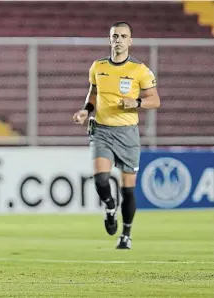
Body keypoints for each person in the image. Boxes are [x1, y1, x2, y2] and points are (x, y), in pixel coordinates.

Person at [72, 22, 160, 249]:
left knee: (128, 188)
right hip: (101, 129)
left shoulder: (139, 70)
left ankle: (126, 234)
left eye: (123, 36)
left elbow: (155, 100)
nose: (119, 40)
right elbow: (92, 94)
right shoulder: (98, 66)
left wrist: (137, 102)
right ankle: (110, 207)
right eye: (115, 36)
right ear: (109, 39)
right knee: (100, 179)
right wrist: (85, 110)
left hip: (128, 133)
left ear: (130, 41)